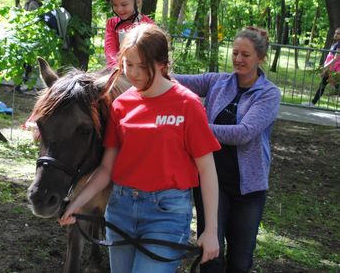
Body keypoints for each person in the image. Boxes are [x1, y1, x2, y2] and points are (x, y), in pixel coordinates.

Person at [59, 24, 220, 272]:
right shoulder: (121, 105)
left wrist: (211, 230)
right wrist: (77, 203)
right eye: (127, 64)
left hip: (166, 213)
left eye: (141, 66)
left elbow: (207, 170)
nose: (132, 73)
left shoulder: (187, 104)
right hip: (121, 208)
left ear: (162, 64)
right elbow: (106, 168)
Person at [174, 26, 281, 273]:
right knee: (210, 255)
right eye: (235, 53)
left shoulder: (268, 94)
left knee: (240, 261)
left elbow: (243, 133)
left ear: (260, 58)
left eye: (245, 54)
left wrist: (197, 128)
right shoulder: (218, 82)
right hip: (213, 183)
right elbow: (177, 81)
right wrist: (149, 67)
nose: (238, 59)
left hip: (249, 189)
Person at [103, 0, 155, 70]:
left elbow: (152, 55)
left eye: (124, 5)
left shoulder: (149, 26)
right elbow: (110, 49)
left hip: (141, 71)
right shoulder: (112, 24)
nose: (119, 9)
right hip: (118, 70)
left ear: (138, 1)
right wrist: (116, 66)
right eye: (115, 5)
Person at [308, 27, 340, 105]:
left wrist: (325, 67)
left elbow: (336, 59)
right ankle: (312, 103)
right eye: (335, 33)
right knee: (322, 85)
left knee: (337, 87)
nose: (335, 35)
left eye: (338, 33)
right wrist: (325, 67)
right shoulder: (335, 44)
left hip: (334, 70)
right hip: (329, 70)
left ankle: (312, 103)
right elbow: (329, 57)